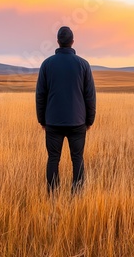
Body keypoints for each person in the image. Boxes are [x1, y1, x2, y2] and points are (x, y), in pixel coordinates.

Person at [35, 26, 96, 196]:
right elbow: (89, 96)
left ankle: (53, 197)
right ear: (72, 42)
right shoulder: (83, 64)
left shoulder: (47, 64)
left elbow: (40, 95)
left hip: (53, 122)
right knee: (77, 159)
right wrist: (89, 121)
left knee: (53, 159)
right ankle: (76, 197)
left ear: (58, 42)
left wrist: (42, 120)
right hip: (78, 122)